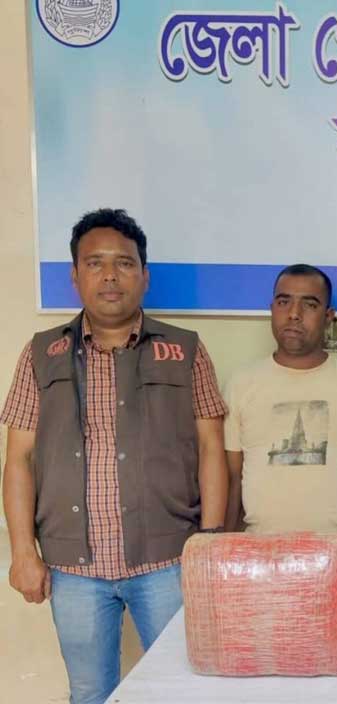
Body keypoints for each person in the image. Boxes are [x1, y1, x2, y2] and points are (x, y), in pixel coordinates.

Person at [1, 208, 228, 704]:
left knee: (182, 691)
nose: (109, 276)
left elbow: (212, 447)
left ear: (144, 276)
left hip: (168, 561)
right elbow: (18, 459)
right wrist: (22, 552)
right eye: (95, 263)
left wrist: (209, 544)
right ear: (74, 276)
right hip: (73, 567)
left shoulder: (184, 350)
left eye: (124, 263)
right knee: (90, 693)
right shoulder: (41, 354)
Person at [224, 264, 337, 601]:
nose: (294, 314)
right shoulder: (241, 384)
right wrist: (224, 559)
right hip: (263, 566)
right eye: (284, 302)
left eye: (309, 304)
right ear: (272, 309)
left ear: (328, 317)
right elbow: (233, 480)